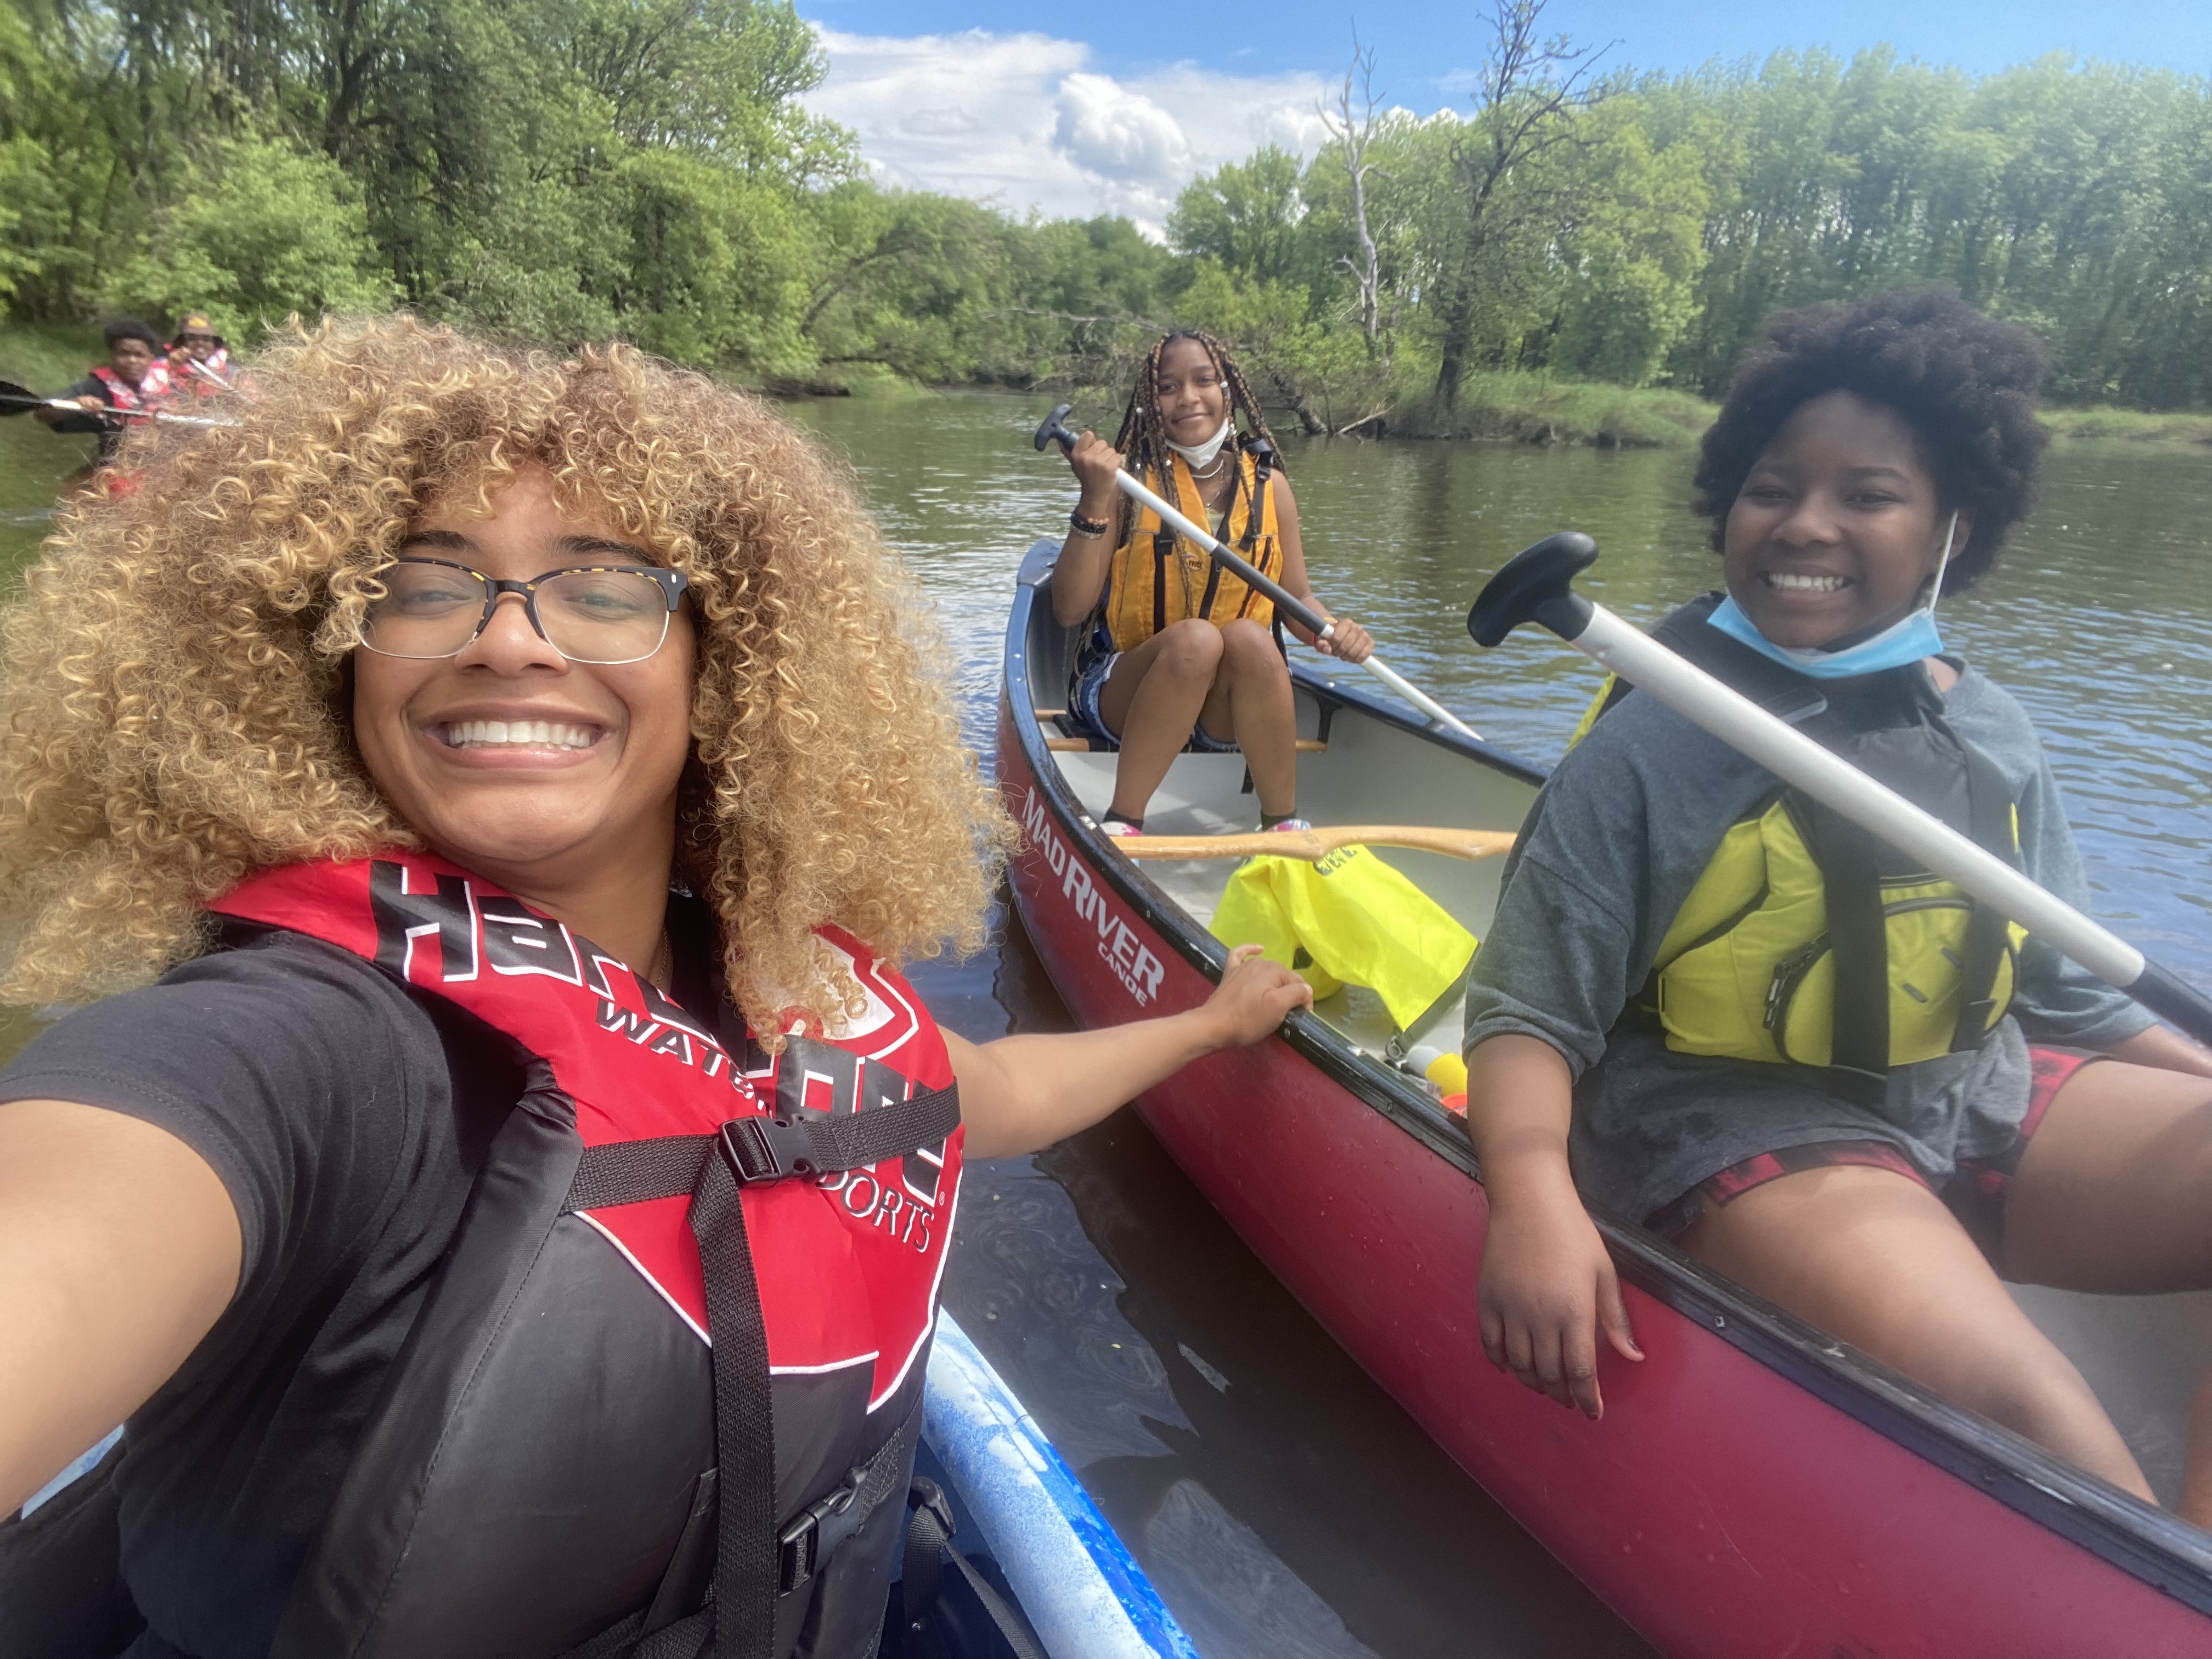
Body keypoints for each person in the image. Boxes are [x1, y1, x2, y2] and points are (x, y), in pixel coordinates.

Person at [0, 317, 1313, 1657]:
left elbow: (997, 1092)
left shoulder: (777, 982)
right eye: (424, 584)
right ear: (339, 663)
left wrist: (1212, 1020)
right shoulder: (302, 1052)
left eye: (605, 588)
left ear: (721, 665)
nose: (508, 641)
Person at [1460, 289, 2212, 1520]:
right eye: (1772, 488)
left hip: (1973, 1090)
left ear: (1949, 529)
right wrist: (1531, 1196)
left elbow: (2074, 988)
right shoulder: (1656, 746)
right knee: (2037, 1411)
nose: (1804, 523)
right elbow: (1528, 1013)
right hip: (1725, 1120)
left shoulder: (1990, 733)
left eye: (1867, 494)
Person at [1051, 329, 1374, 836]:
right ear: (1148, 404)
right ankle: (1124, 821)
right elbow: (1069, 611)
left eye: (1204, 381)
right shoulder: (1126, 485)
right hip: (1123, 693)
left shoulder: (1271, 487)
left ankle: (1282, 825)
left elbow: (1298, 598)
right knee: (1197, 640)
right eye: (1168, 387)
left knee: (1249, 637)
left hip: (1224, 708)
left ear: (1229, 391)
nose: (1188, 398)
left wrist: (1331, 629)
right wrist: (1094, 500)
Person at [35, 318, 174, 462]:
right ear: (113, 356)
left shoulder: (171, 385)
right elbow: (42, 413)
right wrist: (76, 403)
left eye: (139, 355)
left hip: (163, 465)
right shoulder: (96, 386)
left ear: (151, 359)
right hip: (116, 467)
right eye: (124, 354)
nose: (132, 361)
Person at [165, 313, 234, 395]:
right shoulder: (164, 369)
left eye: (206, 339)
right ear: (181, 343)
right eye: (192, 338)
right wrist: (170, 368)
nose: (200, 343)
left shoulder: (232, 372)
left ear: (214, 344)